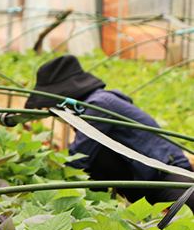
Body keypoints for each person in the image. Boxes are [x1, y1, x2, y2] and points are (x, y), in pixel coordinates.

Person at [25, 54, 194, 209]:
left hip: (166, 172)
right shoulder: (95, 103)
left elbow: (80, 157)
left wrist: (49, 187)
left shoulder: (98, 105)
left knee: (185, 214)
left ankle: (97, 206)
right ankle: (102, 206)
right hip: (143, 176)